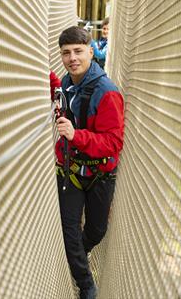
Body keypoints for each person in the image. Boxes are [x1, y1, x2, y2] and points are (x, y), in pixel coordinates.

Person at [54, 26, 124, 299]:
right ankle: (86, 285)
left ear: (91, 51)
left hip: (99, 173)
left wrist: (75, 135)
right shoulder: (65, 83)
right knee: (69, 230)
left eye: (78, 51)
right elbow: (63, 97)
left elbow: (114, 143)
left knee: (96, 230)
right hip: (70, 170)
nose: (72, 58)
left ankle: (79, 256)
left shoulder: (107, 92)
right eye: (66, 53)